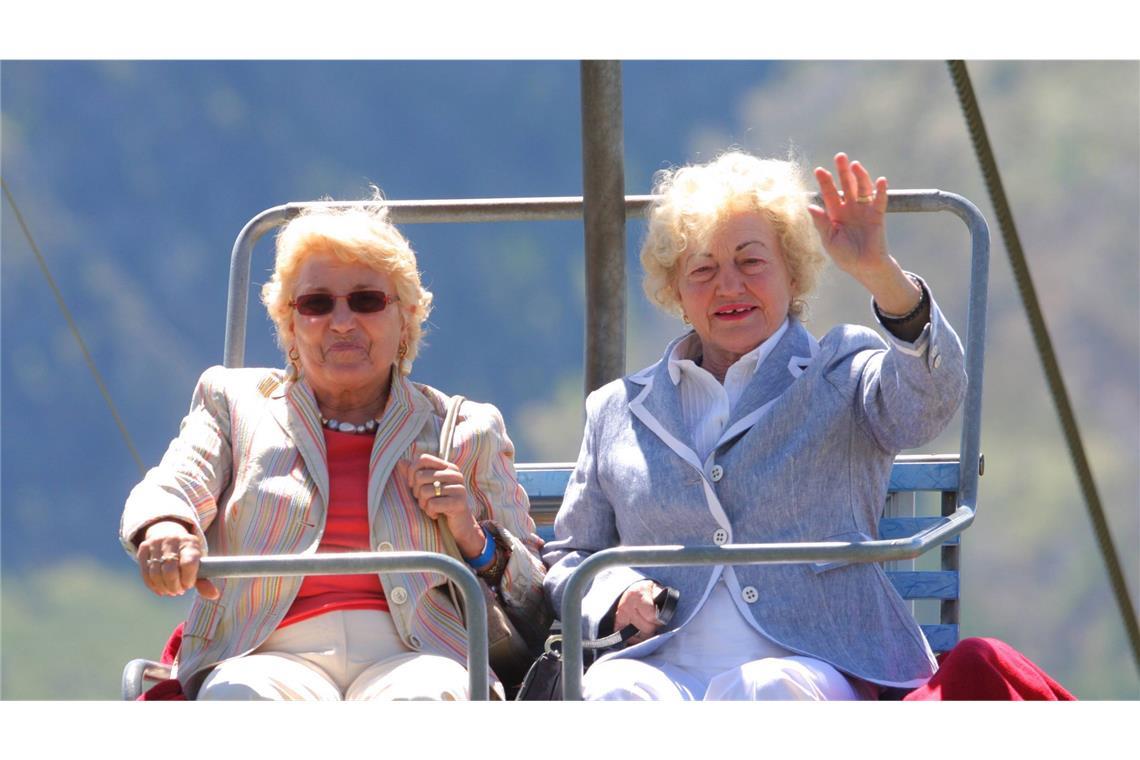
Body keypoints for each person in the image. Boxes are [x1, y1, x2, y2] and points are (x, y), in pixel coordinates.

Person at [542, 150, 968, 700]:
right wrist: (617, 595)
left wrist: (881, 277)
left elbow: (929, 399)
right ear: (676, 291)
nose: (728, 287)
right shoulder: (617, 410)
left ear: (792, 272)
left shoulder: (838, 371)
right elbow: (572, 556)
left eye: (750, 262)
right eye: (702, 270)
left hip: (813, 663)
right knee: (611, 694)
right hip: (658, 663)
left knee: (765, 692)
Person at [120, 199, 545, 700]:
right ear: (290, 325)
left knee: (427, 705)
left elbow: (537, 598)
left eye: (365, 301)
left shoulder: (464, 428)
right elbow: (174, 483)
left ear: (405, 321)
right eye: (316, 305)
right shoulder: (234, 405)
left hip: (418, 653)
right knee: (239, 704)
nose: (341, 322)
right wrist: (167, 527)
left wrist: (473, 536)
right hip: (266, 652)